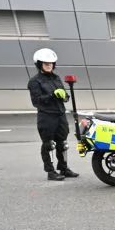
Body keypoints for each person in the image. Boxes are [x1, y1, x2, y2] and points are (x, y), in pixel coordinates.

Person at [27, 48, 77, 181]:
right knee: (49, 145)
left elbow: (65, 96)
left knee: (63, 143)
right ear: (39, 64)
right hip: (46, 116)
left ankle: (63, 168)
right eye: (46, 63)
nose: (49, 66)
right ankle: (50, 172)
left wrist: (65, 96)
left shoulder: (56, 78)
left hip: (60, 114)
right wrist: (52, 95)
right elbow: (36, 101)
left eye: (51, 63)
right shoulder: (35, 81)